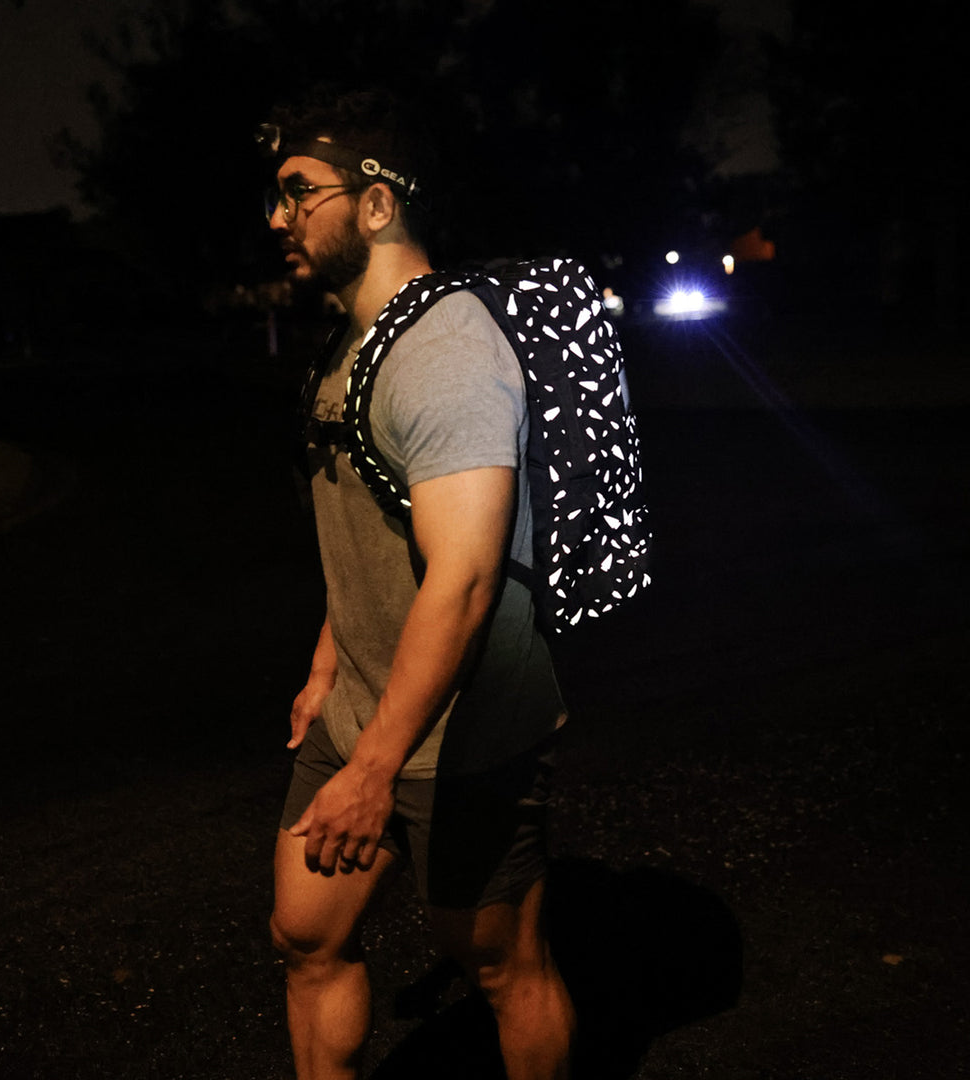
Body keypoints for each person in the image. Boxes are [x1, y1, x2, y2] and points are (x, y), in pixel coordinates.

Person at [265, 88, 575, 1080]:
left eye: (298, 192)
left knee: (500, 965)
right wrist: (328, 667)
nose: (277, 217)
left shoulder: (445, 354)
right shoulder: (350, 343)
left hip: (465, 730)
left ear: (376, 204)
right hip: (364, 709)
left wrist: (374, 769)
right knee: (305, 935)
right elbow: (365, 524)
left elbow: (467, 580)